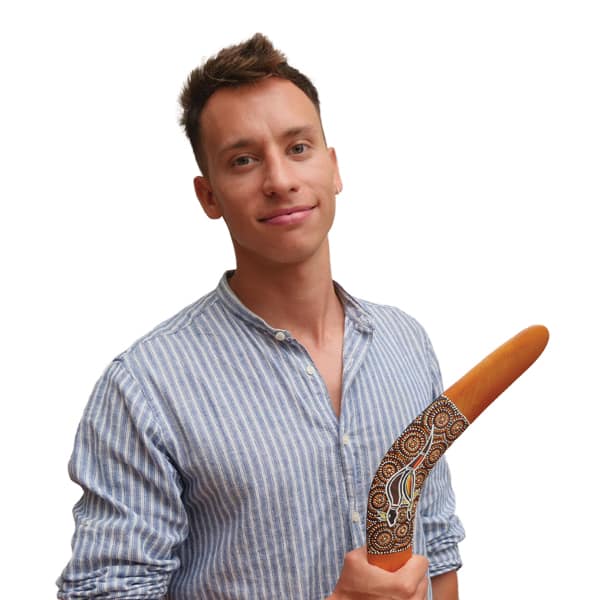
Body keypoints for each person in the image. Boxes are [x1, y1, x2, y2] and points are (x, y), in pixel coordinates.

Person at [57, 33, 464, 599]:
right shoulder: (145, 388)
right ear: (209, 196)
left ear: (333, 168)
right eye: (243, 161)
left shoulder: (407, 344)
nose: (280, 181)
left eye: (298, 148)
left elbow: (436, 547)